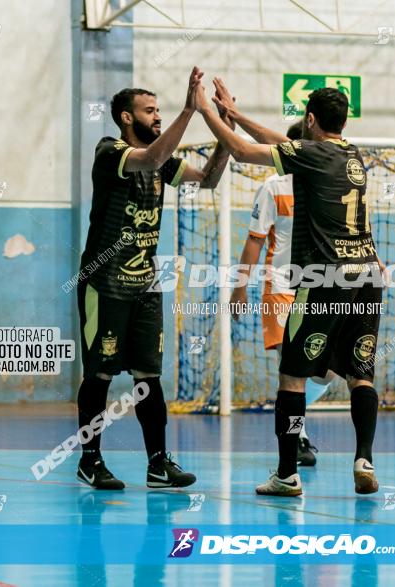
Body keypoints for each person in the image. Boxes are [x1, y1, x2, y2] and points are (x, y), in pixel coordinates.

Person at [196, 77, 383, 496]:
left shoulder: (312, 155)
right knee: (360, 374)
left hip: (325, 278)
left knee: (292, 378)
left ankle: (286, 473)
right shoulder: (351, 156)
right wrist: (238, 115)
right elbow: (282, 142)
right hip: (368, 276)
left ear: (311, 119)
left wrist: (206, 112)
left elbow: (245, 151)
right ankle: (364, 458)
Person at [76, 66, 234, 489]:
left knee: (149, 376)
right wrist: (190, 110)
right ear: (127, 118)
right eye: (150, 111)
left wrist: (225, 128)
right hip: (104, 282)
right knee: (100, 375)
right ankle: (90, 460)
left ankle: (158, 464)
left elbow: (209, 180)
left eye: (160, 109)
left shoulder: (161, 163)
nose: (158, 116)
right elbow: (153, 156)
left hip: (145, 284)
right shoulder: (110, 152)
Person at [229, 120, 336, 467]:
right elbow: (254, 241)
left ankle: (294, 424)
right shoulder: (273, 186)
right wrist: (240, 287)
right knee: (291, 370)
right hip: (281, 289)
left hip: (319, 286)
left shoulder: (323, 184)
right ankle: (298, 437)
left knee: (328, 370)